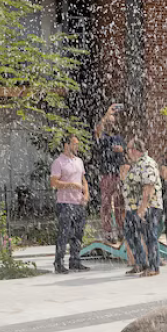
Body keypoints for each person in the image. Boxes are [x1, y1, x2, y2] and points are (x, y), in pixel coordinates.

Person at [122, 137, 163, 277]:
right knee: (130, 233)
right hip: (133, 207)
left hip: (147, 206)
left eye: (128, 149)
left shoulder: (147, 163)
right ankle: (140, 263)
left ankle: (153, 267)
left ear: (134, 150)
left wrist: (143, 208)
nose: (126, 152)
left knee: (149, 235)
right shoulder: (136, 164)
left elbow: (149, 186)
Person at [50, 134, 90, 274]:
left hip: (78, 202)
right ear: (66, 145)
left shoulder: (79, 161)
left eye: (77, 144)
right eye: (74, 144)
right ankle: (59, 262)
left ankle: (75, 261)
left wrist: (86, 193)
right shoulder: (58, 162)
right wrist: (70, 184)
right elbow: (54, 183)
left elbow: (83, 179)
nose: (77, 146)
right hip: (65, 203)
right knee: (64, 233)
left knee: (78, 233)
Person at [93, 105, 126, 242]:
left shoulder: (119, 138)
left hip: (118, 174)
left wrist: (122, 151)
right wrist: (107, 114)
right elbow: (98, 131)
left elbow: (125, 158)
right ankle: (107, 232)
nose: (110, 124)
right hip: (106, 174)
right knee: (106, 204)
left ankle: (120, 230)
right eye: (108, 122)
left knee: (120, 203)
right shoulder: (103, 137)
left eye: (112, 122)